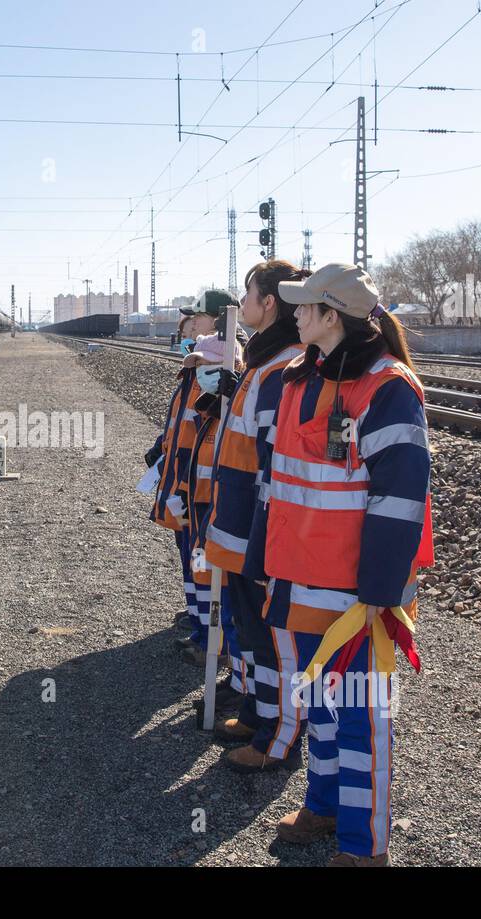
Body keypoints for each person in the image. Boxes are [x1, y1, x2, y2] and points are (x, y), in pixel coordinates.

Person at [260, 263, 433, 866]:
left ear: (332, 317)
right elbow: (279, 479)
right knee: (321, 707)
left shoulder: (387, 388)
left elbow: (403, 494)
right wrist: (265, 553)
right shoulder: (297, 377)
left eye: (305, 307)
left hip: (360, 594)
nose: (295, 314)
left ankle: (365, 848)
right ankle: (325, 805)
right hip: (301, 579)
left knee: (362, 717)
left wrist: (381, 591)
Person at [194, 261, 313, 768]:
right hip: (239, 521)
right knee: (248, 623)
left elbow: (273, 460)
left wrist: (267, 537)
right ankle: (256, 711)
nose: (240, 304)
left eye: (248, 293)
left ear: (269, 303)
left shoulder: (280, 368)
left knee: (268, 634)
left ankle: (274, 737)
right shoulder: (264, 364)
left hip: (255, 526)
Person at [147, 304, 219, 641]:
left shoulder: (216, 364)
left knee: (201, 561)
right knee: (190, 556)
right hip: (184, 481)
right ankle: (196, 617)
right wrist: (163, 446)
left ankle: (207, 635)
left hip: (200, 489)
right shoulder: (196, 364)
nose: (186, 326)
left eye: (193, 319)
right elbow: (182, 422)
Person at [180, 322, 243, 675]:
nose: (201, 374)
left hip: (218, 515)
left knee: (219, 587)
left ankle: (219, 651)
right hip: (199, 511)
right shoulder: (208, 410)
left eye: (207, 366)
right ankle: (209, 641)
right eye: (198, 367)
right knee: (201, 573)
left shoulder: (231, 413)